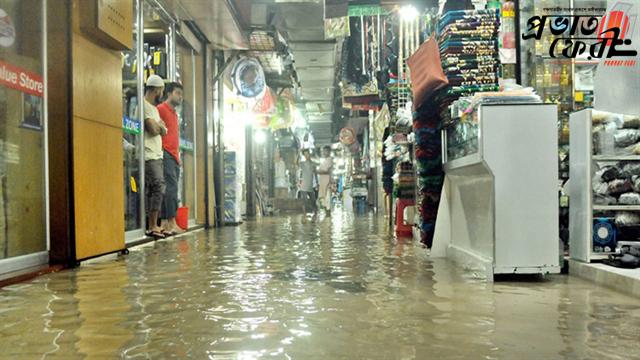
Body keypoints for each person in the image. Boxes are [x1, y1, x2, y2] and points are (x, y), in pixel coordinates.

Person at [158, 82, 184, 236]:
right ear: (168, 93)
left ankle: (167, 222)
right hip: (166, 153)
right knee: (171, 189)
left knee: (171, 189)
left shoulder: (174, 113)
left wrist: (177, 156)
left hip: (174, 155)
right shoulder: (161, 109)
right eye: (177, 93)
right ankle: (170, 222)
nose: (180, 97)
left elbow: (174, 136)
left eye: (181, 94)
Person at [143, 75, 167, 239]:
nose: (161, 95)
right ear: (156, 90)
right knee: (157, 187)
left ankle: (154, 224)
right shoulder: (144, 105)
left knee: (156, 188)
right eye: (161, 91)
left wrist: (160, 127)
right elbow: (153, 129)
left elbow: (163, 129)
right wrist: (159, 127)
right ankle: (152, 225)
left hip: (157, 153)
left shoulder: (155, 109)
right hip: (148, 153)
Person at [298, 148, 318, 217]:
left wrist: (317, 183)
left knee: (313, 200)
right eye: (305, 154)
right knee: (305, 201)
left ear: (310, 154)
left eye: (307, 154)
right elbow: (295, 163)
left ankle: (315, 214)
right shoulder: (303, 164)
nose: (307, 156)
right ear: (304, 156)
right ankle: (304, 215)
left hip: (310, 186)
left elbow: (315, 174)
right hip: (303, 186)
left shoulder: (313, 164)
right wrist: (298, 153)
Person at [317, 145, 334, 216]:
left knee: (327, 199)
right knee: (323, 199)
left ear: (329, 152)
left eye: (325, 151)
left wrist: (318, 172)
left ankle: (328, 215)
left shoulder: (329, 160)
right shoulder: (324, 161)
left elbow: (328, 171)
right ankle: (327, 216)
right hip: (322, 182)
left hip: (327, 182)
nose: (324, 152)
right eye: (323, 151)